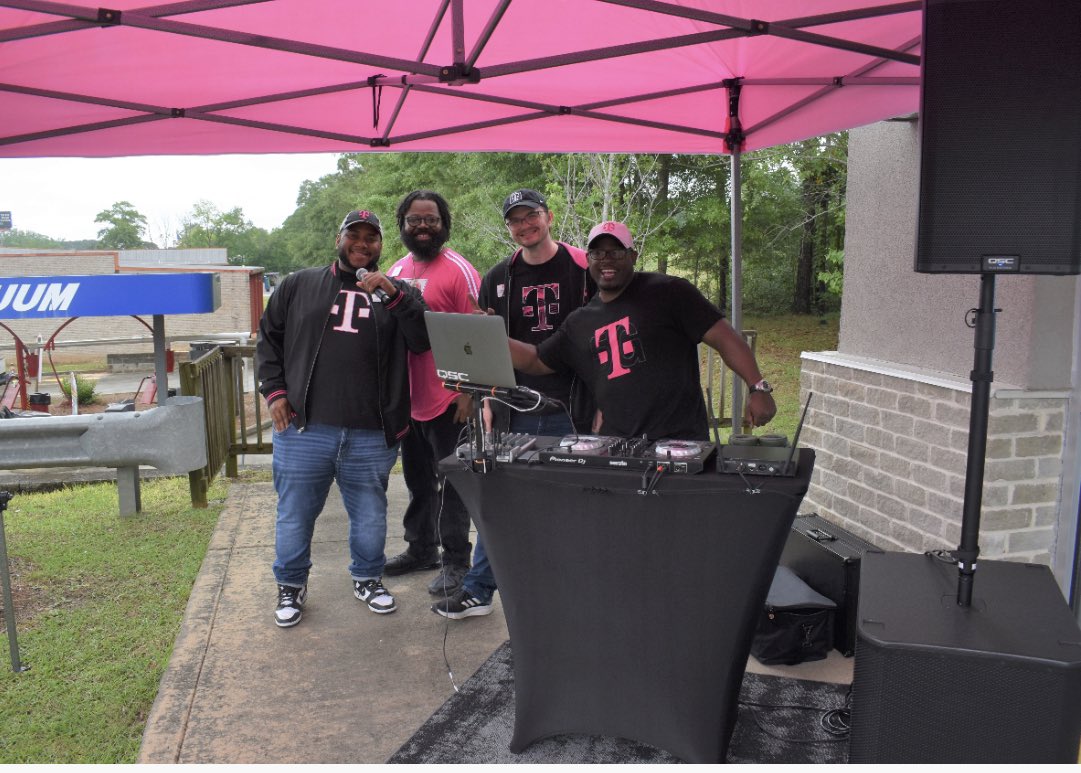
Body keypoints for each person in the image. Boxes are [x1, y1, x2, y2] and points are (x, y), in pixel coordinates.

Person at [256, 208, 429, 627]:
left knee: (371, 514)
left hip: (372, 432)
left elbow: (422, 341)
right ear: (340, 238)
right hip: (304, 428)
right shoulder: (299, 284)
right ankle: (291, 586)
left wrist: (394, 293)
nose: (362, 244)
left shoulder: (399, 291)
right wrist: (274, 392)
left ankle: (368, 579)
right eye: (355, 235)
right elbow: (268, 340)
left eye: (372, 238)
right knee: (295, 513)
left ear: (381, 246)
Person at [433, 188, 595, 620]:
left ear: (549, 216)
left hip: (571, 408)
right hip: (512, 408)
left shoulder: (583, 268)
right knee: (499, 499)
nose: (525, 226)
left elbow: (602, 336)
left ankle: (572, 592)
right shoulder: (498, 277)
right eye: (516, 220)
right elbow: (485, 347)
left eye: (532, 216)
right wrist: (487, 400)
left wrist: (603, 405)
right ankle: (479, 591)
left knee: (570, 504)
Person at [509, 220, 777, 440]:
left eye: (616, 252)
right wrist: (492, 335)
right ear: (588, 258)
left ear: (633, 256)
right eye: (598, 253)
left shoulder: (669, 292)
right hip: (617, 446)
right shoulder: (579, 322)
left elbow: (725, 338)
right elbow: (535, 359)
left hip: (681, 442)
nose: (606, 260)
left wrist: (758, 387)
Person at [383, 190, 482, 597]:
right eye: (414, 220)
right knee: (419, 482)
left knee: (454, 483)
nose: (423, 226)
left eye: (432, 219)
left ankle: (457, 560)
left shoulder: (459, 269)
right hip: (410, 400)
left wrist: (470, 392)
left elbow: (478, 333)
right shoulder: (395, 269)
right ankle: (421, 549)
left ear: (445, 224)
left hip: (449, 399)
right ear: (402, 225)